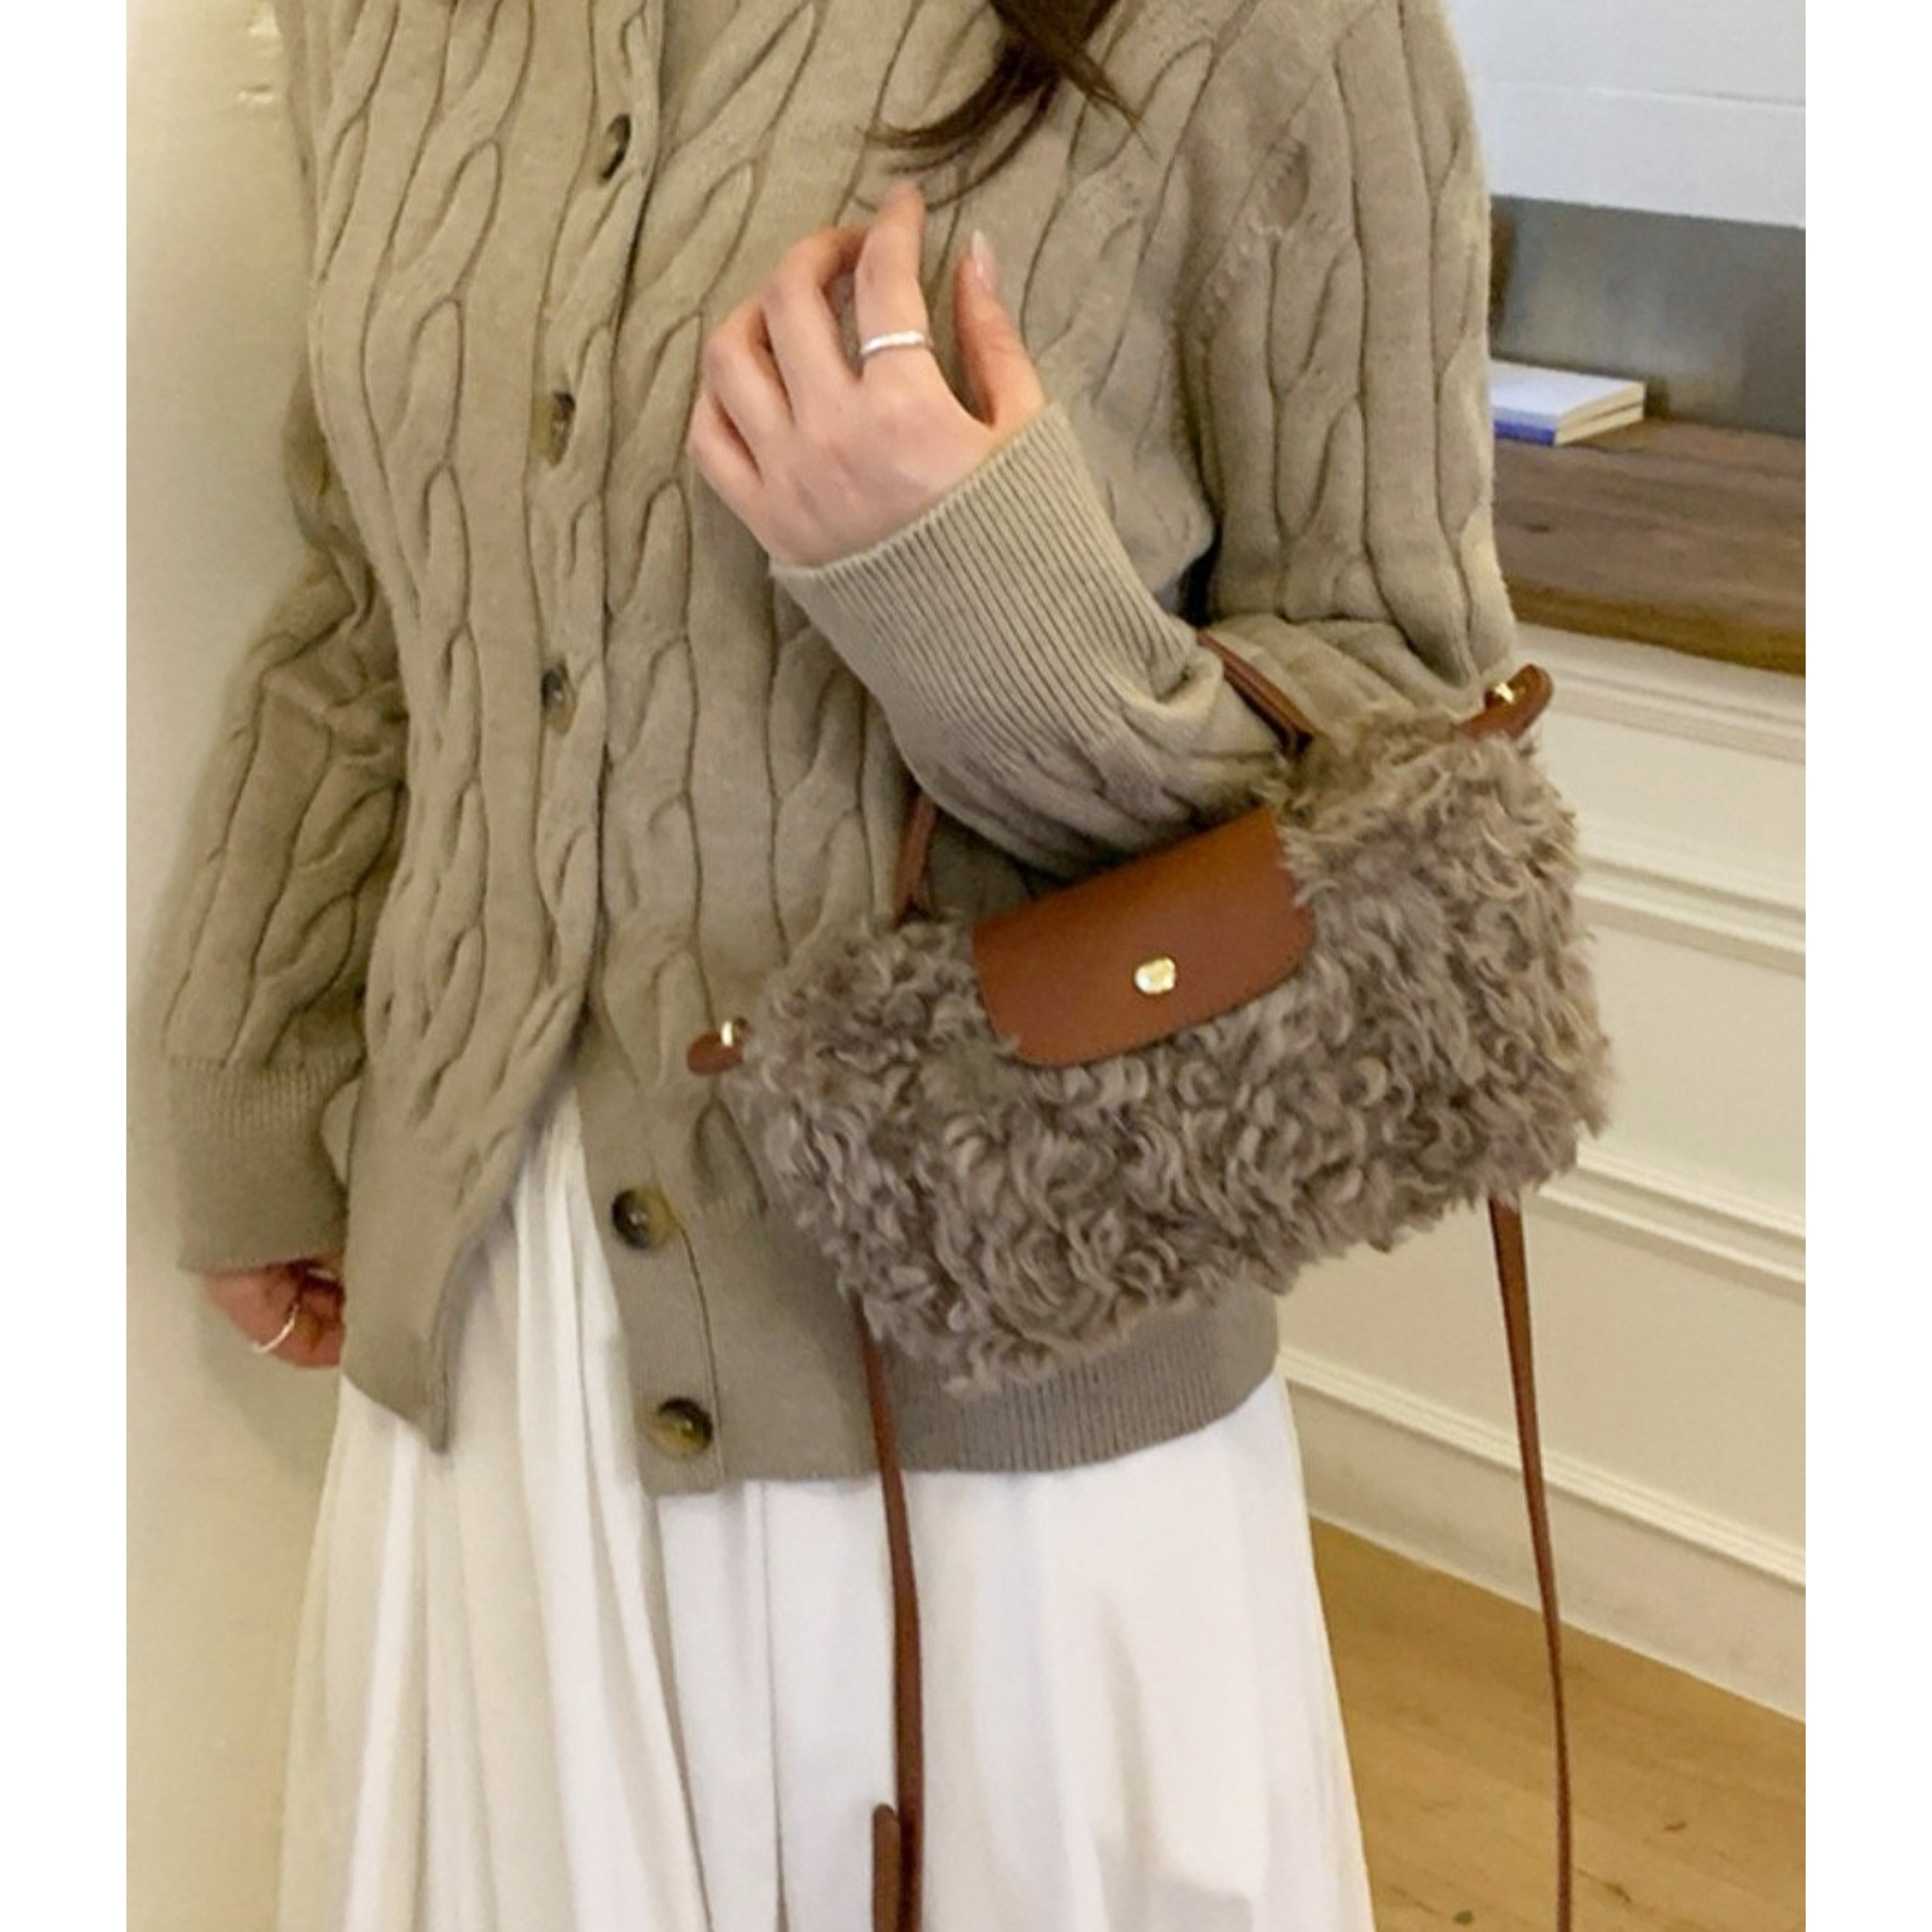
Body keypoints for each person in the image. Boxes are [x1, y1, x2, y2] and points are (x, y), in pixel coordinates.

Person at [153, 0, 1521, 1924]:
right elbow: (378, 599)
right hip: (509, 1334)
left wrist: (973, 589)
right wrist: (250, 1076)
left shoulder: (1269, 29)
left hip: (1004, 1397)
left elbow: (1420, 751)